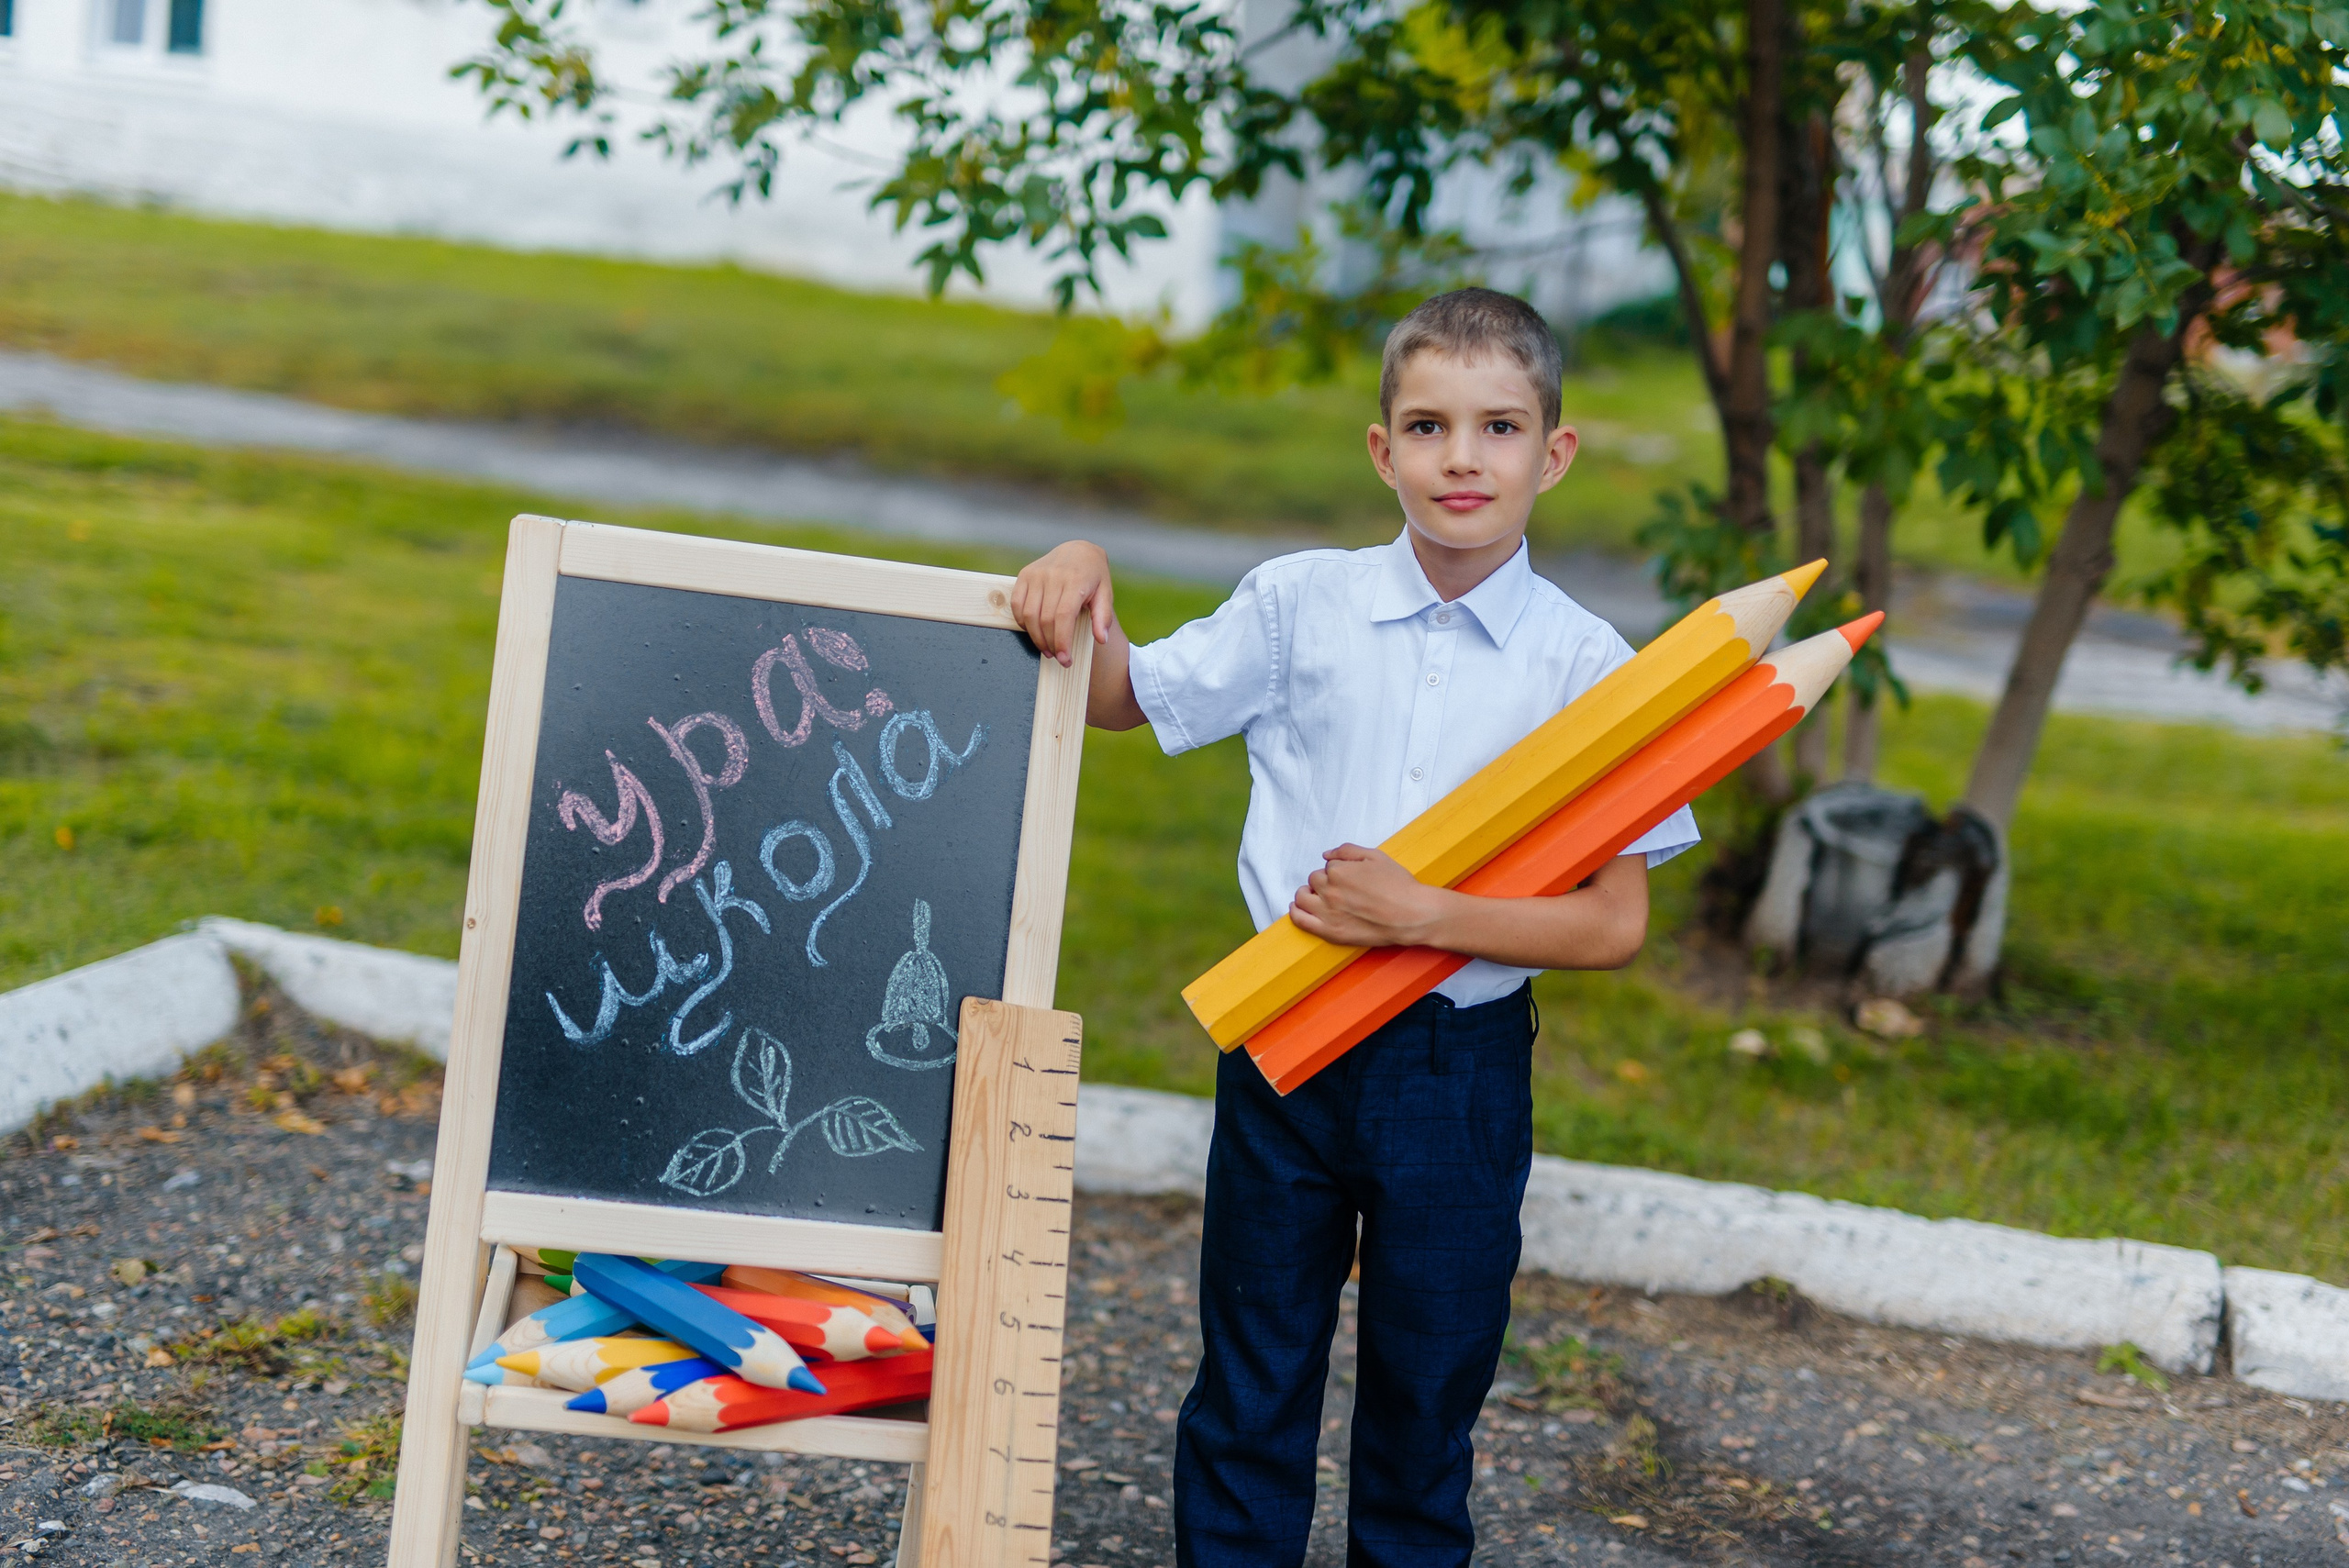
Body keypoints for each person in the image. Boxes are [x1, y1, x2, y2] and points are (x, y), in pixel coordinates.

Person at [1008, 287, 1699, 1568]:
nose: (1462, 458)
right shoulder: (1299, 604)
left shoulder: (1593, 669)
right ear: (1383, 450)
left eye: (1499, 428)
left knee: (1427, 1394)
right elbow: (1119, 697)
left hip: (1457, 1070)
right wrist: (1082, 570)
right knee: (1251, 1375)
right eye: (1429, 426)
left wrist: (1427, 913)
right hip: (1287, 1042)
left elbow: (1614, 923)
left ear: (1554, 454)